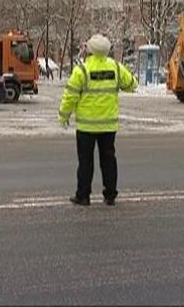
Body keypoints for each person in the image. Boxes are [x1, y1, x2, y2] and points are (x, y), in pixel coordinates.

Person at [58, 34, 138, 206]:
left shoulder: (82, 70)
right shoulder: (116, 68)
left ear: (90, 50)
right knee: (108, 159)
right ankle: (110, 195)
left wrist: (64, 115)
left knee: (85, 161)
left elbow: (70, 95)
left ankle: (83, 195)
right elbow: (132, 84)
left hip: (86, 126)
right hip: (108, 125)